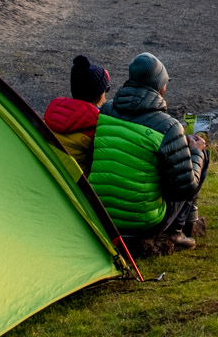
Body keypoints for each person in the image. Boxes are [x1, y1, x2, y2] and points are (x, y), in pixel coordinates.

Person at [89, 52, 208, 250]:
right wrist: (195, 152)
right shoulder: (168, 127)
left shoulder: (107, 111)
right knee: (200, 157)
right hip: (142, 222)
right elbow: (186, 187)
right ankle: (176, 234)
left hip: (100, 215)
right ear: (159, 86)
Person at [43, 56, 109, 172]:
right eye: (106, 89)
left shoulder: (52, 115)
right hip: (77, 186)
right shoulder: (97, 127)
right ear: (99, 95)